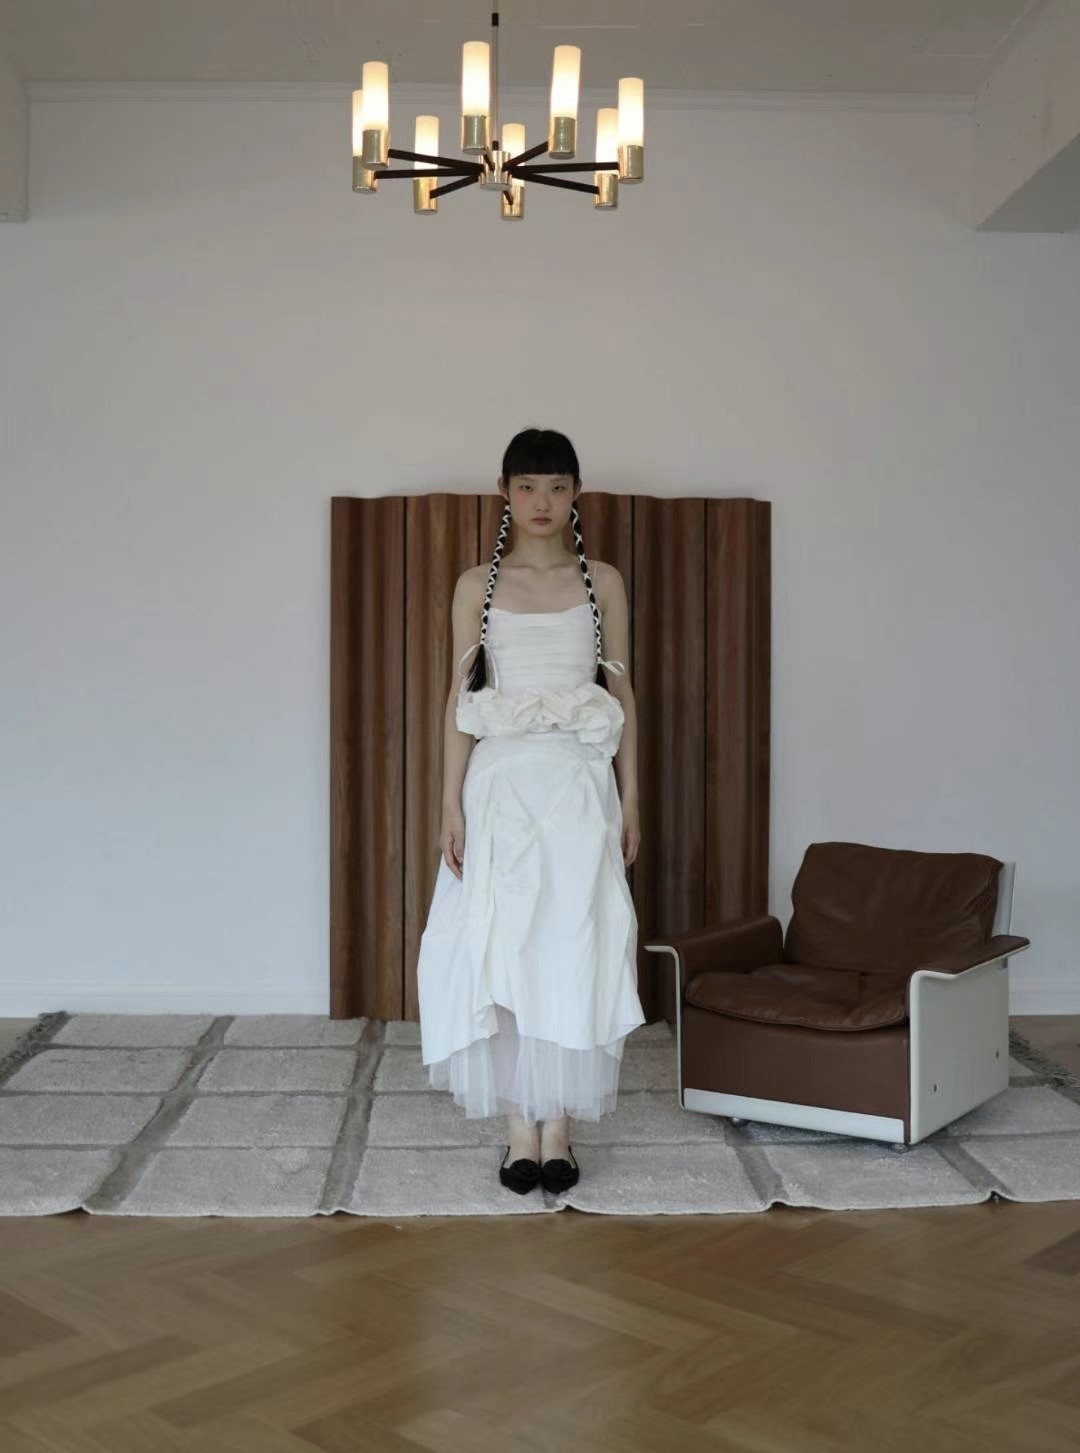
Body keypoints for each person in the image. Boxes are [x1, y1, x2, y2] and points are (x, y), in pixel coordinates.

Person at [416, 427, 646, 1196]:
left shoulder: (602, 581)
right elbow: (459, 699)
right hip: (502, 788)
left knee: (572, 942)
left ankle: (561, 1128)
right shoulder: (475, 584)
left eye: (555, 486)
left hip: (579, 785)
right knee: (505, 946)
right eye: (526, 486)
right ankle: (521, 1126)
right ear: (505, 493)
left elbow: (622, 694)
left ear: (576, 493)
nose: (541, 501)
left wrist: (632, 797)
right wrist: (449, 803)